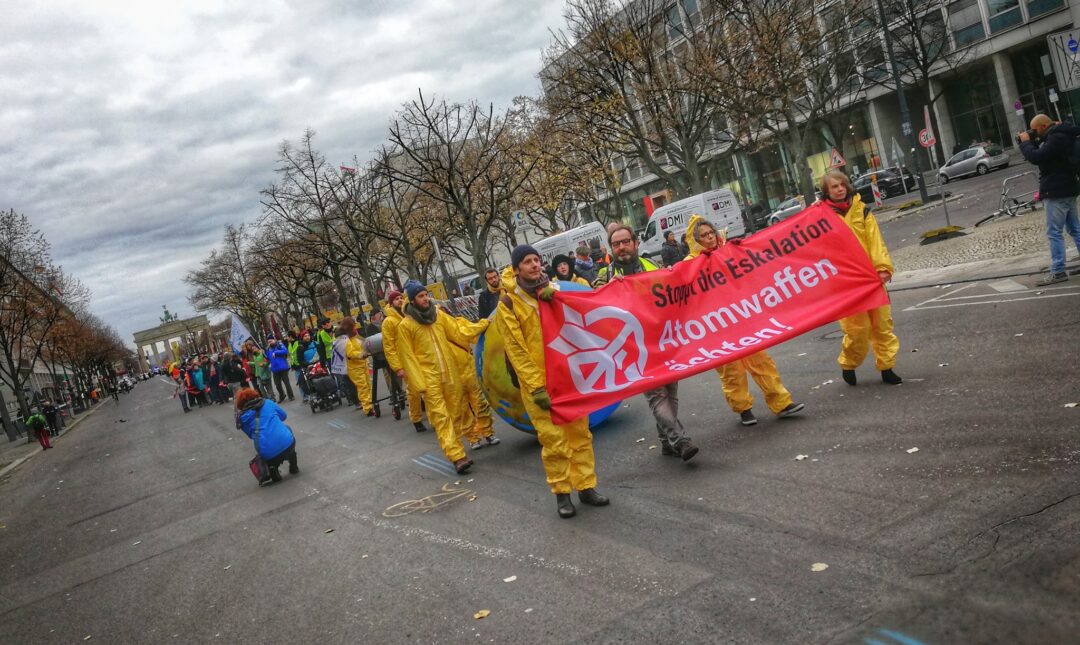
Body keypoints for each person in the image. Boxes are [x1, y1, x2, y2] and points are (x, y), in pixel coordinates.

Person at [497, 245, 609, 518]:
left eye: (537, 260)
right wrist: (536, 387)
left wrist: (557, 300)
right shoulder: (509, 304)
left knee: (580, 434)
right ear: (517, 269)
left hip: (568, 378)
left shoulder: (554, 291)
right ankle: (562, 493)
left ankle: (586, 486)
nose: (535, 265)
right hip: (539, 387)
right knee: (553, 441)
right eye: (527, 262)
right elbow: (517, 350)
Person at [684, 216, 805, 426]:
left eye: (711, 232)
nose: (710, 237)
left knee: (761, 361)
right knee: (731, 369)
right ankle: (744, 409)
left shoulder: (728, 251)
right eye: (704, 235)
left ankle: (782, 402)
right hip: (716, 324)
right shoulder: (690, 264)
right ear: (696, 240)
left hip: (741, 316)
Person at [596, 226, 699, 460]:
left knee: (670, 393)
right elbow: (594, 306)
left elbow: (674, 289)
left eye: (625, 242)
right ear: (611, 248)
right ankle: (679, 439)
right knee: (656, 395)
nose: (621, 248)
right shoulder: (604, 276)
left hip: (662, 340)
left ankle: (665, 440)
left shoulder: (653, 266)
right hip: (634, 347)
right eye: (616, 244)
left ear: (635, 243)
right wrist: (609, 289)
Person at [819, 171, 903, 386]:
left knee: (882, 325)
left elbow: (875, 240)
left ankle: (887, 367)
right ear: (826, 191)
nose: (839, 189)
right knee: (857, 330)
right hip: (845, 283)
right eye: (834, 187)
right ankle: (849, 363)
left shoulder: (862, 210)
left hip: (871, 278)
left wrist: (883, 268)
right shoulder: (820, 217)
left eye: (841, 185)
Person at [397, 280, 489, 474]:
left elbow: (458, 331)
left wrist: (482, 325)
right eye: (421, 296)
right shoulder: (406, 326)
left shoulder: (438, 316)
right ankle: (457, 457)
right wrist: (419, 384)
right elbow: (407, 357)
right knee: (441, 417)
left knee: (456, 413)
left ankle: (460, 449)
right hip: (429, 379)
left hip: (450, 374)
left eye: (426, 294)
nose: (426, 298)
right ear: (412, 300)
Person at [1018, 114, 1080, 285]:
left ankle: (1058, 271)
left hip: (1056, 190)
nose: (1035, 133)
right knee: (1075, 228)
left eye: (1036, 129)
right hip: (1068, 188)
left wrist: (1025, 142)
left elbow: (1036, 157)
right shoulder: (1061, 135)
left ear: (1044, 126)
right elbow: (1043, 153)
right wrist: (1028, 143)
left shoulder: (1056, 138)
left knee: (1054, 232)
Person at [383, 290, 429, 432]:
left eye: (401, 298)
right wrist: (398, 367)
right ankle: (416, 419)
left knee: (429, 388)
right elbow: (389, 347)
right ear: (391, 304)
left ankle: (434, 416)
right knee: (414, 392)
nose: (400, 300)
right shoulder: (388, 322)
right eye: (396, 299)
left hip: (419, 357)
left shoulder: (410, 315)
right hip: (405, 361)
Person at [234, 387, 298, 483]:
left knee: (260, 441)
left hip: (267, 451)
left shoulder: (242, 419)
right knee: (287, 429)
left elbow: (251, 435)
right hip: (287, 443)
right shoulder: (267, 403)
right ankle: (293, 463)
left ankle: (272, 468)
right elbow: (283, 416)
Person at [339, 317, 375, 415]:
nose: (355, 328)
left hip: (362, 365)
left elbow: (364, 342)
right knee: (363, 387)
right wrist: (361, 355)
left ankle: (371, 403)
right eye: (353, 326)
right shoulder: (346, 340)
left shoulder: (355, 336)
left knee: (368, 385)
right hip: (355, 368)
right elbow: (350, 353)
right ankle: (368, 408)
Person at [266, 334, 295, 403]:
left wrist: (276, 352)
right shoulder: (268, 348)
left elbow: (285, 351)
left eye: (271, 341)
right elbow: (268, 358)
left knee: (286, 383)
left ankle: (291, 396)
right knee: (277, 384)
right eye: (269, 341)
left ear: (274, 340)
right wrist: (264, 354)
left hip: (283, 367)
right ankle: (282, 395)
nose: (270, 343)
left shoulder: (279, 345)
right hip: (274, 369)